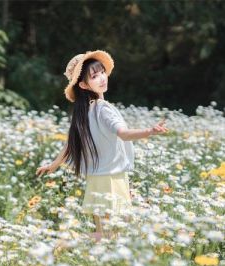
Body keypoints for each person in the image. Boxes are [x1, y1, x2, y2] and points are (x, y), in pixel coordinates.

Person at [35, 50, 168, 241]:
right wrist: (150, 131)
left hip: (96, 180)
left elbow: (70, 146)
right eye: (94, 76)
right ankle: (67, 242)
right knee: (113, 235)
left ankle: (68, 243)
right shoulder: (103, 108)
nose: (102, 78)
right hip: (111, 179)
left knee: (106, 235)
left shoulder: (83, 113)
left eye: (102, 72)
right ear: (83, 84)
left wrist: (52, 165)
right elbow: (123, 134)